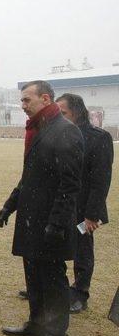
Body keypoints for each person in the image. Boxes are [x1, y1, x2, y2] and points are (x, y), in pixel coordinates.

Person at [0, 80, 83, 336]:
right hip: (31, 219)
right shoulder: (38, 129)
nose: (22, 106)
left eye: (26, 100)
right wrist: (9, 206)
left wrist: (57, 224)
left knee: (53, 279)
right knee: (33, 274)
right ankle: (36, 324)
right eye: (21, 101)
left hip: (50, 222)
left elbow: (70, 186)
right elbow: (29, 177)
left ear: (45, 99)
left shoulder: (66, 131)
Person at [55, 93, 113, 314]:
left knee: (82, 250)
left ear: (77, 113)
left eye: (64, 113)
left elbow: (101, 180)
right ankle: (55, 288)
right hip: (60, 204)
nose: (60, 117)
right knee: (53, 246)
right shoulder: (58, 134)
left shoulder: (99, 138)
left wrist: (92, 214)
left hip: (83, 209)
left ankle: (80, 293)